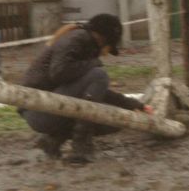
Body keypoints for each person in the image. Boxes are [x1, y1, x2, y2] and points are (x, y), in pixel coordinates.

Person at [19, 14, 152, 163]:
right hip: (38, 110)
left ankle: (52, 142)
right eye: (109, 47)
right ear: (103, 39)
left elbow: (94, 91)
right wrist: (93, 63)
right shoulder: (76, 40)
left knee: (115, 120)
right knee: (99, 75)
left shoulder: (84, 44)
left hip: (46, 109)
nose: (106, 54)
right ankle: (81, 146)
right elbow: (58, 73)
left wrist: (131, 105)